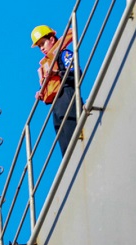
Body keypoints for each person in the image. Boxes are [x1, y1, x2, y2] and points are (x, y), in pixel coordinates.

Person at [31, 24, 79, 157]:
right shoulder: (47, 64)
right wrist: (42, 93)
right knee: (63, 141)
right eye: (39, 46)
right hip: (56, 106)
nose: (41, 48)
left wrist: (56, 72)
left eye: (43, 43)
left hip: (66, 96)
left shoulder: (63, 53)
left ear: (52, 39)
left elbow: (76, 73)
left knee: (73, 134)